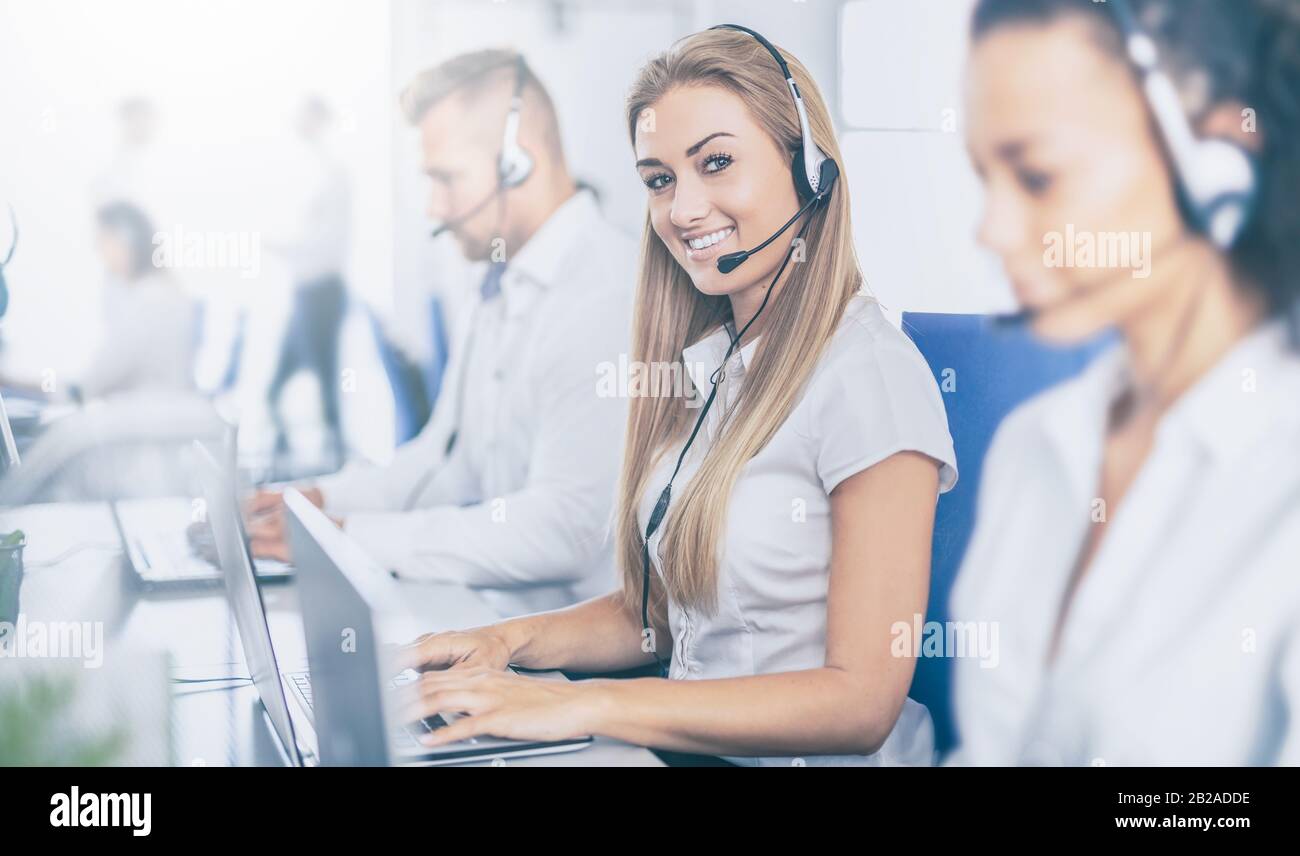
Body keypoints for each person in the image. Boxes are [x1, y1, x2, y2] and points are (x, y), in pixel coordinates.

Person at [396, 26, 957, 767]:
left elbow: (861, 703)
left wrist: (583, 704)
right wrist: (507, 642)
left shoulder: (868, 377)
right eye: (660, 180)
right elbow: (664, 617)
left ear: (811, 170)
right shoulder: (717, 363)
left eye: (716, 164)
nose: (683, 209)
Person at [949, 0, 1300, 765]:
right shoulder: (1034, 446)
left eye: (1037, 176)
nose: (993, 230)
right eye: (986, 177)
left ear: (1219, 162)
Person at [247, 51, 636, 618]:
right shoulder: (498, 281)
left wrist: (349, 535)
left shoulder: (605, 292)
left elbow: (565, 532)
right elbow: (446, 461)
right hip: (498, 622)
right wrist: (320, 502)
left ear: (515, 165)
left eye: (446, 179)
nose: (435, 207)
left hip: (589, 671)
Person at [1, 201, 198, 402]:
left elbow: (89, 385)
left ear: (129, 242)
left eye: (103, 241)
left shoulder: (148, 299)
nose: (99, 251)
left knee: (49, 431)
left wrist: (21, 384)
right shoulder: (163, 292)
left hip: (145, 411)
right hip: (155, 406)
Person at [265, 96, 352, 469]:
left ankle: (332, 470)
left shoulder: (333, 174)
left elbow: (326, 244)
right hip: (307, 294)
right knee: (275, 392)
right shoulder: (315, 170)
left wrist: (282, 247)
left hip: (321, 294)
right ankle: (298, 470)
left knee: (326, 390)